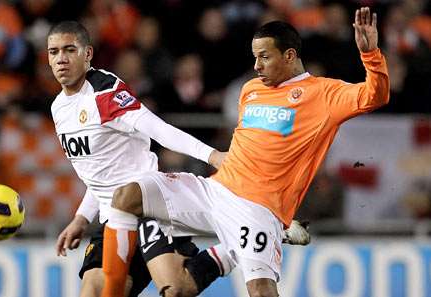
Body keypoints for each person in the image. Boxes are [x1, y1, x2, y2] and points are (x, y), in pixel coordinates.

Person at [101, 7, 389, 297]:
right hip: (214, 190)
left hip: (258, 208)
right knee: (128, 196)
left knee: (258, 291)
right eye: (255, 57)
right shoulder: (250, 90)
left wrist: (370, 53)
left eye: (265, 57)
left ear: (289, 56)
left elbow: (375, 95)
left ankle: (250, 241)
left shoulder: (325, 94)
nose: (256, 66)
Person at [47, 21, 309, 297]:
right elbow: (100, 171)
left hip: (148, 208)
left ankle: (244, 242)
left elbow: (159, 129)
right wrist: (81, 218)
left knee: (175, 290)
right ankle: (237, 245)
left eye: (69, 50)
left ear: (87, 54)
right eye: (53, 52)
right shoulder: (59, 109)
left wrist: (212, 155)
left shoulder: (104, 91)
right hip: (113, 218)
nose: (61, 59)